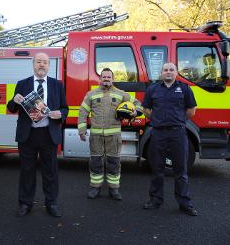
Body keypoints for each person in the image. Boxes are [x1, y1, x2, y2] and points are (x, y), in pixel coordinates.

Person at [7, 52, 68, 217]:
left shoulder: (57, 85)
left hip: (49, 134)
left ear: (49, 66)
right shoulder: (22, 84)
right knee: (27, 171)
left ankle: (52, 203)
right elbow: (11, 107)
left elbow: (65, 108)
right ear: (33, 64)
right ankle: (25, 204)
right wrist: (15, 100)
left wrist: (60, 114)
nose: (42, 65)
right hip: (28, 135)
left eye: (45, 62)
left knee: (51, 172)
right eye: (39, 62)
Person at [142, 62, 198, 216]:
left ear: (176, 72)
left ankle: (184, 203)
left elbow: (191, 110)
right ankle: (155, 200)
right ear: (161, 73)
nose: (168, 72)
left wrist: (178, 120)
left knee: (181, 170)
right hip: (158, 133)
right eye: (165, 70)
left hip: (178, 133)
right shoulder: (153, 89)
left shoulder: (185, 88)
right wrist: (157, 119)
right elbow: (145, 109)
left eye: (171, 70)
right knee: (157, 169)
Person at [78, 68, 142, 201]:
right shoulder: (91, 94)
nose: (106, 79)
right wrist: (82, 130)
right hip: (96, 136)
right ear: (100, 79)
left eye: (109, 77)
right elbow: (83, 112)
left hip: (114, 136)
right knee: (95, 162)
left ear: (112, 79)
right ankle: (95, 187)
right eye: (104, 77)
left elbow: (137, 104)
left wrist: (136, 111)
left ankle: (114, 189)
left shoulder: (121, 94)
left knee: (114, 162)